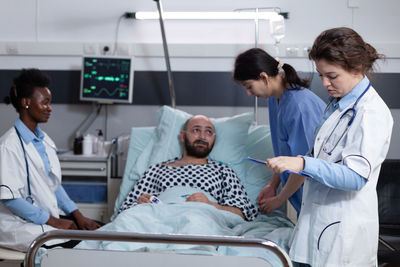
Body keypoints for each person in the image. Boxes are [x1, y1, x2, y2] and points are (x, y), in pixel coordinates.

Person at [266, 27, 393, 266]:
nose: (324, 83)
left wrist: (303, 163)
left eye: (332, 76)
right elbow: (319, 157)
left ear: (356, 68)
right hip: (318, 224)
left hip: (343, 234)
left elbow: (355, 177)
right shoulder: (338, 105)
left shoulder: (371, 112)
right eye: (321, 75)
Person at [0, 69, 100, 252]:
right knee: (85, 246)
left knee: (99, 229)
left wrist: (78, 216)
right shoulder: (8, 146)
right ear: (26, 102)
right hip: (19, 225)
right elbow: (11, 200)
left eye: (50, 102)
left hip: (45, 218)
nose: (50, 108)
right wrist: (55, 221)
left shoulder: (44, 140)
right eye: (45, 102)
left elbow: (54, 185)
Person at [233, 48, 326, 215]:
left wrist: (280, 199)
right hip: (303, 196)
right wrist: (272, 185)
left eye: (249, 86)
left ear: (263, 77)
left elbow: (304, 163)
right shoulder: (275, 99)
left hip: (320, 196)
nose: (248, 93)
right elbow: (285, 153)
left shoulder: (299, 106)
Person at [118, 115, 258, 221]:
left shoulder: (223, 171)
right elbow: (124, 210)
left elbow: (245, 214)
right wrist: (141, 203)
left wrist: (211, 205)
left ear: (214, 139)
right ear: (183, 136)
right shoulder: (157, 170)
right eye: (196, 130)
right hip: (158, 220)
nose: (202, 136)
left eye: (208, 132)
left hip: (201, 219)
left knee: (194, 224)